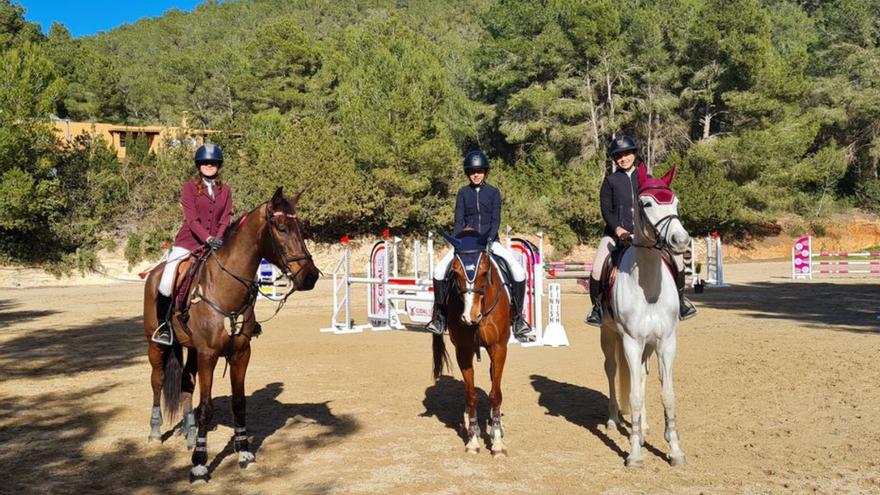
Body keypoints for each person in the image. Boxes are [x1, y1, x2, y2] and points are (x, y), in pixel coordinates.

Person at [585, 135, 697, 326]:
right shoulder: (610, 181)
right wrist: (618, 229)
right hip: (616, 235)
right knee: (597, 269)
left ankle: (681, 301)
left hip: (647, 236)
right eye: (619, 156)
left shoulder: (648, 179)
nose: (624, 158)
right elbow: (606, 210)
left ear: (634, 154)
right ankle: (597, 308)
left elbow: (659, 207)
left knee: (677, 262)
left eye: (627, 154)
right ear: (614, 159)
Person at [426, 150, 533, 340]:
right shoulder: (463, 193)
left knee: (518, 271)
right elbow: (458, 221)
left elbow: (495, 221)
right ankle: (440, 318)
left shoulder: (493, 193)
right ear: (468, 173)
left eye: (480, 171)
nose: (476, 174)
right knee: (438, 271)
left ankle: (517, 318)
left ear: (485, 172)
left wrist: (488, 241)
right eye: (472, 171)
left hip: (490, 242)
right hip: (465, 244)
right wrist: (459, 242)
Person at [152, 143, 233, 345]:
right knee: (166, 280)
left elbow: (226, 217)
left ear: (218, 165)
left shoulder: (226, 190)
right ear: (199, 165)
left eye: (213, 162)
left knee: (241, 272)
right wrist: (207, 238)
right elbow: (192, 219)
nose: (209, 165)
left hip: (216, 244)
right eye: (205, 162)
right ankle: (164, 326)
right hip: (189, 242)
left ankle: (249, 320)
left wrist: (219, 237)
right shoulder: (189, 187)